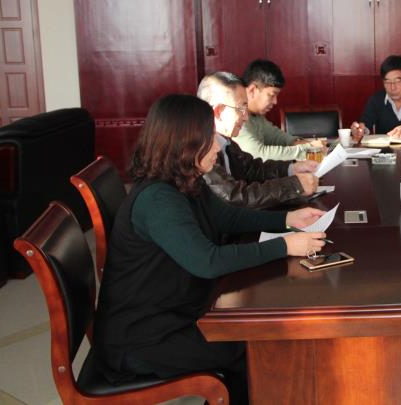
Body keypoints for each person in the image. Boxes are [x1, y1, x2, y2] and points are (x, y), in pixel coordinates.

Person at [94, 94, 326, 404]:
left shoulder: (186, 179)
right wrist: (284, 245)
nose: (217, 147)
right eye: (208, 139)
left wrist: (287, 219)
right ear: (184, 144)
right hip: (143, 336)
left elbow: (229, 217)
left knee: (253, 338)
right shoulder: (158, 200)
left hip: (174, 311)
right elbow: (208, 261)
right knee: (253, 347)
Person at [197, 72, 319, 208]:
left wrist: (292, 169)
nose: (245, 117)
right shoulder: (201, 151)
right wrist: (293, 186)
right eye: (241, 109)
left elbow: (252, 169)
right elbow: (236, 196)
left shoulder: (226, 142)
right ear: (218, 111)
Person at [234, 59, 324, 161]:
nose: (275, 102)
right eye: (272, 95)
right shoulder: (236, 117)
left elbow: (277, 137)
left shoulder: (256, 116)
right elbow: (258, 154)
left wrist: (307, 144)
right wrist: (308, 150)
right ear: (252, 90)